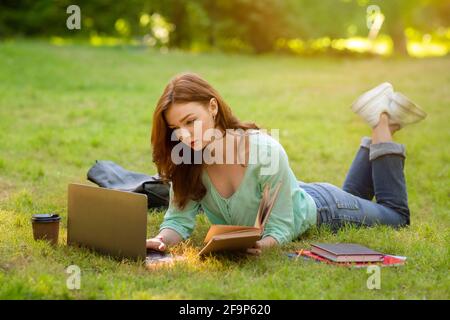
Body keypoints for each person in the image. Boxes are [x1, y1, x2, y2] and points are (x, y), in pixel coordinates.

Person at [146, 73, 426, 255]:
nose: (184, 135)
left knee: (396, 216)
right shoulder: (188, 160)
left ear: (213, 107)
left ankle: (382, 122)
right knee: (358, 198)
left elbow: (280, 227)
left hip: (326, 209)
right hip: (295, 195)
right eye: (175, 128)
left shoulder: (264, 151)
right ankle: (379, 128)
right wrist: (161, 240)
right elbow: (178, 221)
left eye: (190, 122)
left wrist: (264, 244)